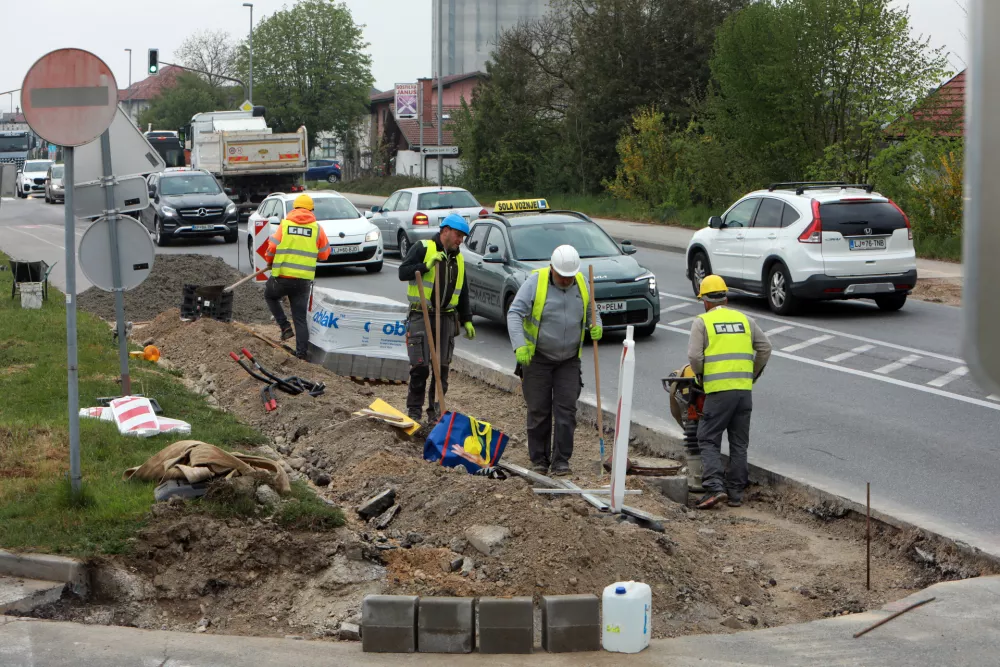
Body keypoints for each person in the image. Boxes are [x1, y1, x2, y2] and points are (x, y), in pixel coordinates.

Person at [507, 245, 602, 476]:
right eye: (562, 276)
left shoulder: (581, 281)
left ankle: (561, 461)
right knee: (539, 410)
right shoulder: (536, 282)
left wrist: (597, 325)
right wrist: (520, 345)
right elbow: (514, 313)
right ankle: (539, 460)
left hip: (569, 360)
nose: (566, 280)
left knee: (566, 411)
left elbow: (592, 310)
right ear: (552, 269)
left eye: (570, 277)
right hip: (538, 358)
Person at [687, 274, 772, 509]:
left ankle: (715, 487)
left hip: (718, 391)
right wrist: (751, 375)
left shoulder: (702, 322)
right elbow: (765, 348)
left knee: (707, 438)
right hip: (744, 391)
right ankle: (735, 493)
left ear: (704, 300)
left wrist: (701, 375)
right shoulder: (745, 320)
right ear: (725, 298)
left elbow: (695, 356)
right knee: (739, 442)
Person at [398, 213, 475, 423]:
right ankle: (414, 411)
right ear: (445, 231)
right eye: (458, 235)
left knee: (441, 368)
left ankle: (435, 414)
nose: (460, 240)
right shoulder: (423, 248)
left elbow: (463, 289)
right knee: (420, 367)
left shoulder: (458, 257)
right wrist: (425, 266)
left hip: (447, 318)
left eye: (463, 237)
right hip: (421, 315)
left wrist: (466, 318)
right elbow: (403, 272)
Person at [263, 193, 331, 359]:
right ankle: (301, 354)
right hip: (302, 282)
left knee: (270, 295)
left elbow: (272, 248)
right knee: (300, 318)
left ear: (294, 209)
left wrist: (269, 260)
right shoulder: (316, 229)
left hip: (282, 278)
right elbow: (324, 254)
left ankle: (285, 327)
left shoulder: (285, 225)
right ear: (311, 210)